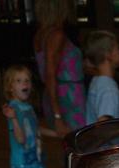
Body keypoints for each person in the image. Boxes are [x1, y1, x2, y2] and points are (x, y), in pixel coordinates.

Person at [33, 0, 86, 134]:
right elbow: (50, 74)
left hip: (56, 95)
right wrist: (58, 116)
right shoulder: (56, 35)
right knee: (79, 143)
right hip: (68, 98)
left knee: (72, 146)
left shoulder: (40, 34)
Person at [83, 31, 119, 124]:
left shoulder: (97, 80)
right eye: (117, 48)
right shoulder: (109, 89)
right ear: (108, 55)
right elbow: (104, 124)